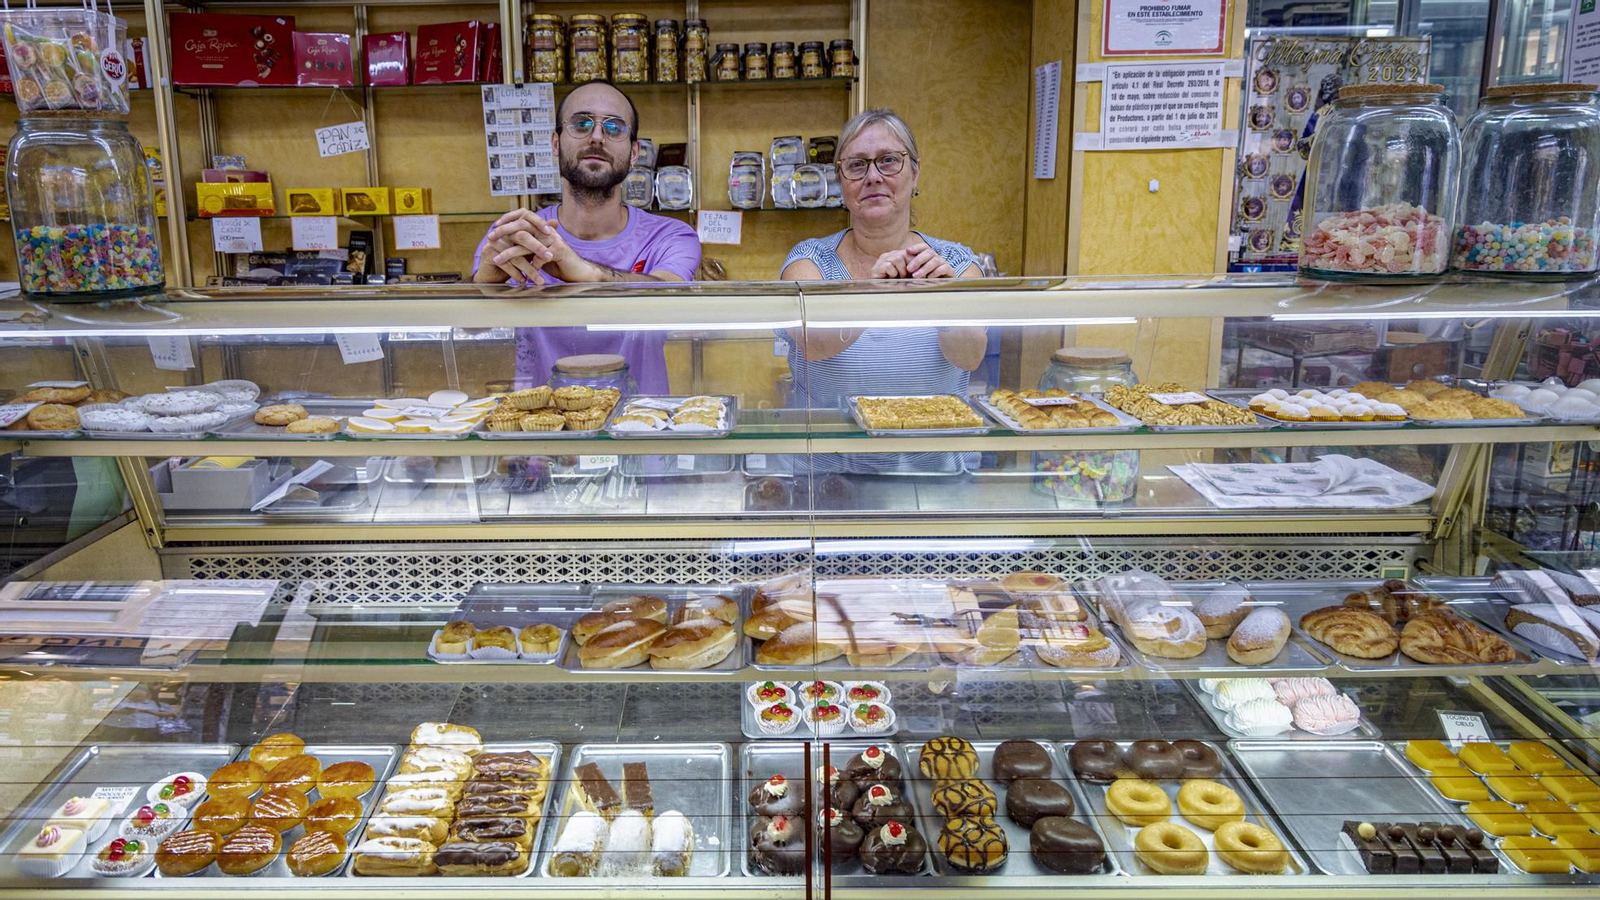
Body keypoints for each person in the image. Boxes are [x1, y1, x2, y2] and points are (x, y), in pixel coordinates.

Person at [778, 108, 986, 475]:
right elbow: (813, 344)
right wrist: (871, 293)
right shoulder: (808, 261)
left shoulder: (956, 263)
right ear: (841, 181)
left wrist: (942, 302)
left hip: (936, 475)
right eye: (857, 166)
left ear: (915, 172)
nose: (873, 176)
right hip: (827, 477)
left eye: (888, 161)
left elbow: (969, 355)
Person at [473, 80, 700, 392]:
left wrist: (587, 273)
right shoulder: (518, 236)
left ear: (634, 152)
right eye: (581, 124)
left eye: (614, 128)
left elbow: (671, 295)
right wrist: (483, 283)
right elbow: (470, 326)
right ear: (555, 143)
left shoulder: (670, 236)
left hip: (639, 425)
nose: (597, 137)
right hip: (542, 427)